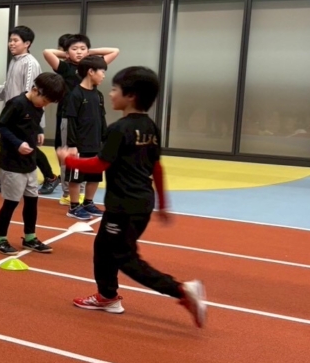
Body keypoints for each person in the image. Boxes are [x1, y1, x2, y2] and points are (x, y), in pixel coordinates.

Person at [58, 66, 206, 327]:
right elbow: (157, 167)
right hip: (141, 202)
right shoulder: (151, 127)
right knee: (103, 248)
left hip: (124, 206)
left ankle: (182, 290)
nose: (111, 93)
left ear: (131, 96)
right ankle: (107, 296)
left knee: (124, 257)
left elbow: (100, 164)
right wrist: (162, 204)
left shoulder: (119, 129)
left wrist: (69, 160)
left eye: (115, 89)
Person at [0, 72, 66, 256]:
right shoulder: (16, 103)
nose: (44, 105)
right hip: (11, 162)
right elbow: (1, 126)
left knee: (32, 201)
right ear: (35, 90)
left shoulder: (37, 106)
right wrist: (18, 143)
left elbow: (33, 121)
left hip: (29, 162)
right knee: (11, 202)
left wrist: (39, 130)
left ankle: (30, 237)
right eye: (45, 101)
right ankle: (0, 239)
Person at [0, 27, 59, 196]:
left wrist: (38, 127)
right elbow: (9, 85)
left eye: (15, 40)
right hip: (13, 112)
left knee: (27, 148)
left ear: (27, 43)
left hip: (24, 116)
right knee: (8, 145)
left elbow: (32, 93)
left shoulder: (30, 63)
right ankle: (1, 179)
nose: (11, 43)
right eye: (10, 40)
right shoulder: (15, 61)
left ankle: (50, 177)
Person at [43, 35, 119, 205]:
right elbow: (47, 52)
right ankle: (68, 194)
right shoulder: (65, 68)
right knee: (69, 153)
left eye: (82, 49)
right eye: (74, 49)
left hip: (89, 117)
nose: (79, 52)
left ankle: (83, 195)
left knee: (88, 154)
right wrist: (67, 54)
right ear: (67, 52)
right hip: (69, 116)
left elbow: (115, 51)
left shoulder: (93, 67)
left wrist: (88, 53)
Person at [63, 55, 108, 221]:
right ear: (91, 72)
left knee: (95, 176)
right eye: (102, 71)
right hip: (80, 145)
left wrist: (105, 140)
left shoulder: (99, 95)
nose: (104, 76)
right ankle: (74, 207)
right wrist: (72, 145)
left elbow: (102, 119)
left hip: (95, 144)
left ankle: (88, 203)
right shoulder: (75, 94)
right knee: (76, 177)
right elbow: (71, 121)